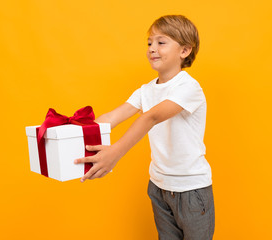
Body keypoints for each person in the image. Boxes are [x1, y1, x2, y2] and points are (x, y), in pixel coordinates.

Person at [74, 15, 215, 240]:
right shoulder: (146, 90)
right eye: (149, 43)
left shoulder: (189, 87)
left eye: (161, 42)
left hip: (191, 190)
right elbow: (112, 117)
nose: (152, 49)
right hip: (159, 187)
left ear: (185, 51)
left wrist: (114, 153)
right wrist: (71, 130)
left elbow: (151, 117)